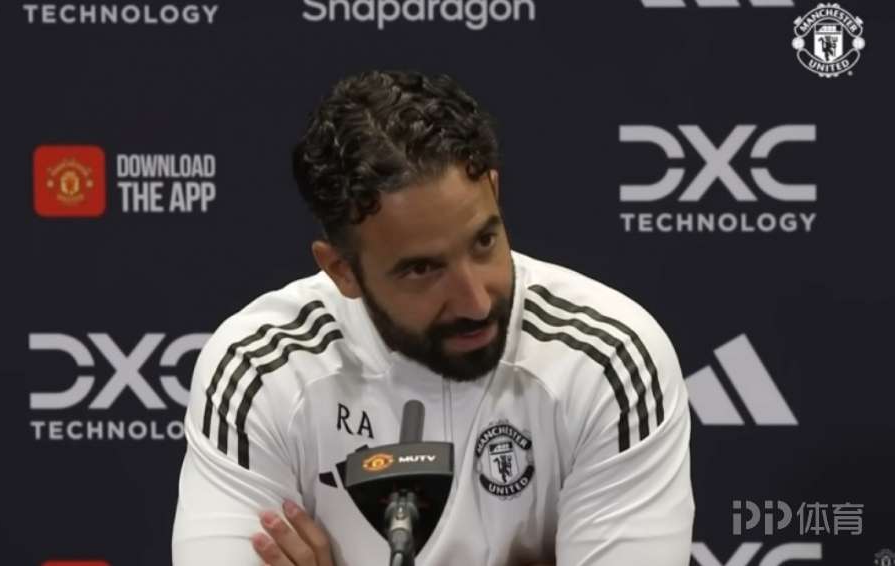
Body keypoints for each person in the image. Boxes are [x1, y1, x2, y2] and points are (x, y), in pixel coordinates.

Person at [171, 69, 695, 566]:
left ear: (495, 192)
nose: (475, 302)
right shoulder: (259, 369)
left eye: (484, 242)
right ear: (342, 271)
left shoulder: (607, 359)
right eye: (422, 269)